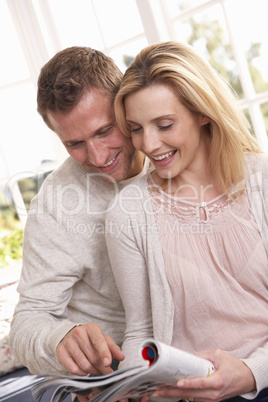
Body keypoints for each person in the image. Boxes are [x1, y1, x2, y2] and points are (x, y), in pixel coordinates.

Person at [105, 41, 268, 401]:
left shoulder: (262, 181)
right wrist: (130, 389)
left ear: (203, 112)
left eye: (164, 124)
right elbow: (141, 331)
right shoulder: (128, 212)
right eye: (135, 128)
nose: (148, 144)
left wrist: (250, 372)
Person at [9, 46, 148, 379]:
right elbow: (27, 324)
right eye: (75, 144)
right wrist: (59, 339)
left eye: (104, 130)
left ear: (124, 105)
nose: (98, 157)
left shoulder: (172, 154)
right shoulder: (54, 206)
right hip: (111, 371)